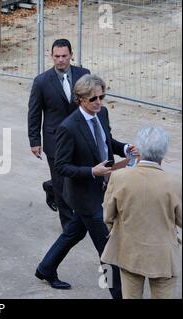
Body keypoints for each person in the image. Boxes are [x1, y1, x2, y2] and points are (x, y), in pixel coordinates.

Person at [35, 74, 138, 299]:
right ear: (80, 99)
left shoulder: (102, 114)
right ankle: (119, 294)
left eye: (102, 97)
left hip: (105, 189)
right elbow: (61, 166)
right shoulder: (68, 127)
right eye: (94, 99)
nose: (99, 102)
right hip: (85, 197)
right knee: (108, 251)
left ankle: (45, 268)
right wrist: (92, 171)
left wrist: (126, 148)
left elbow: (105, 141)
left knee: (73, 232)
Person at [101, 126, 182, 299]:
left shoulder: (119, 177)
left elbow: (108, 215)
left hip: (129, 251)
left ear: (139, 149)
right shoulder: (175, 183)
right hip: (163, 257)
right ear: (164, 152)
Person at [28, 39, 90, 228]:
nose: (61, 60)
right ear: (51, 56)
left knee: (79, 176)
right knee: (61, 182)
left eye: (64, 56)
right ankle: (68, 223)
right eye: (57, 56)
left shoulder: (84, 75)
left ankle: (51, 188)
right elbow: (34, 112)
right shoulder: (41, 81)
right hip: (54, 139)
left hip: (80, 137)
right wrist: (34, 140)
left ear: (71, 55)